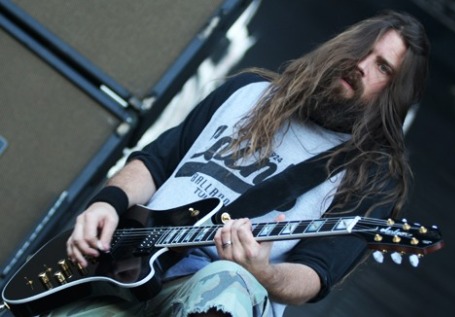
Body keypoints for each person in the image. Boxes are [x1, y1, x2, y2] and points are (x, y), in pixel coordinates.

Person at [56, 9, 430, 317]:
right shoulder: (248, 92)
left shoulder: (369, 176)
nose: (361, 65)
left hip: (214, 293)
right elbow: (156, 162)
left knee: (230, 281)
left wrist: (262, 272)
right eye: (361, 50)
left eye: (382, 67)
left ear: (394, 96)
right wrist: (108, 203)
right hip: (122, 271)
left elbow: (315, 275)